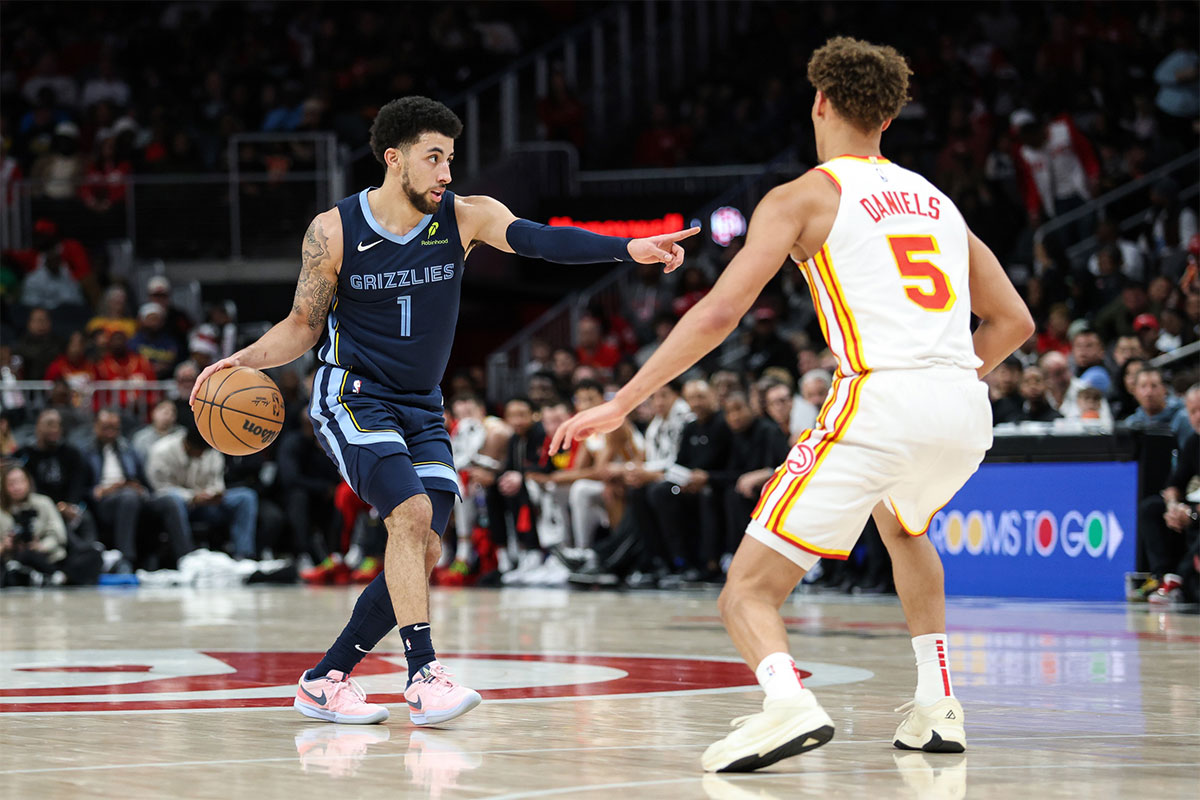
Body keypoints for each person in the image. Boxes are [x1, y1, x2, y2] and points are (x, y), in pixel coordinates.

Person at [551, 37, 1034, 773]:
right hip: (964, 407)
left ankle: (786, 704)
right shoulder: (938, 201)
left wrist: (623, 400)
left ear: (820, 101)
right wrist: (949, 378)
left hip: (882, 396)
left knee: (746, 590)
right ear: (891, 115)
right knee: (905, 528)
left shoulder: (806, 195)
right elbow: (1016, 323)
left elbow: (719, 314)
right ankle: (938, 706)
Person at [189, 95, 699, 727]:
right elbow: (301, 326)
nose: (446, 173)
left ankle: (325, 679)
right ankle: (423, 674)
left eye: (450, 159)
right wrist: (238, 363)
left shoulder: (464, 217)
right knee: (409, 512)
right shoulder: (334, 229)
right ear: (394, 158)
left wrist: (629, 250)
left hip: (421, 406)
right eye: (434, 159)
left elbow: (540, 241)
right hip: (351, 394)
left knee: (426, 547)